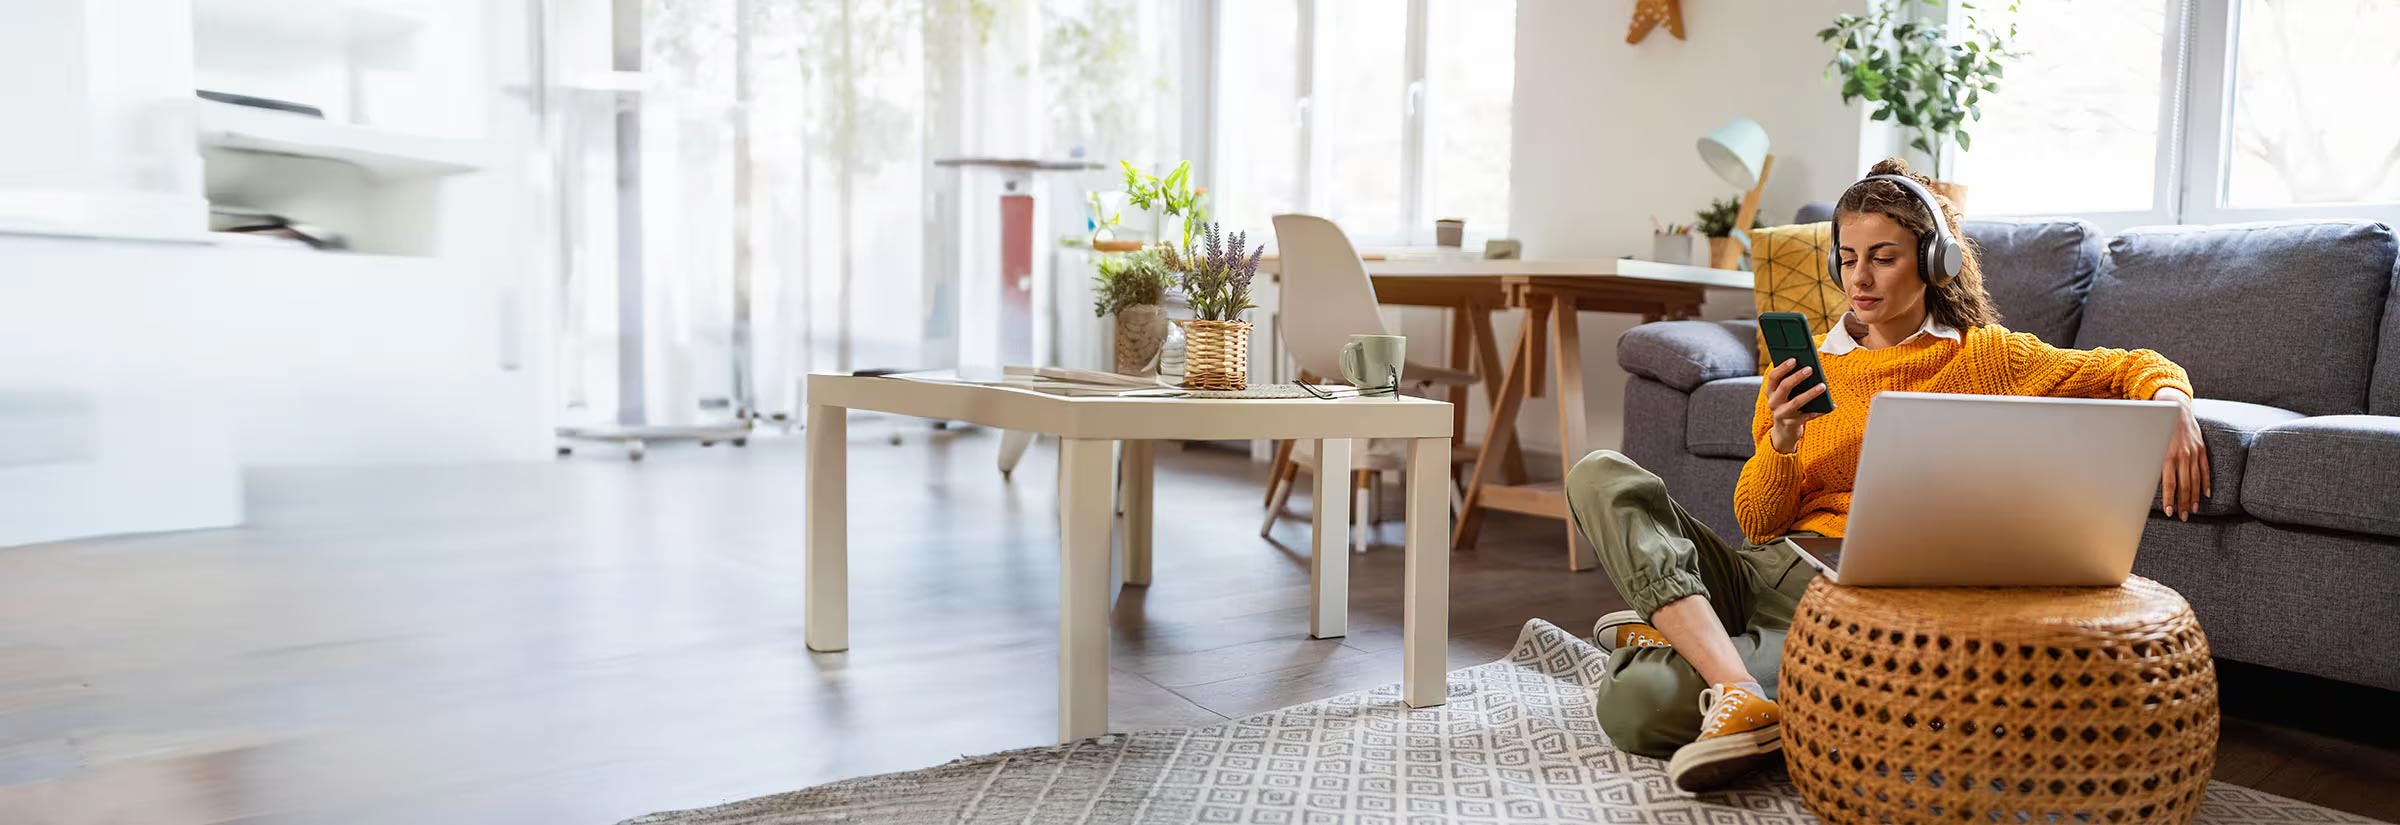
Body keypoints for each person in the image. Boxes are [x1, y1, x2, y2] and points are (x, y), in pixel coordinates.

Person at [1564, 158, 2212, 792]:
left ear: (1936, 261)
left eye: (1884, 256)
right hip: (1761, 567)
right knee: (1600, 473)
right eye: (1848, 257)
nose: (1860, 278)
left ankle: (1680, 629)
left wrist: (2171, 401)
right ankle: (1734, 683)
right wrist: (1783, 441)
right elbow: (1757, 521)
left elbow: (2127, 365)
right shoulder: (1808, 365)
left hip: (1839, 612)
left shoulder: (1989, 358)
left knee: (1637, 706)